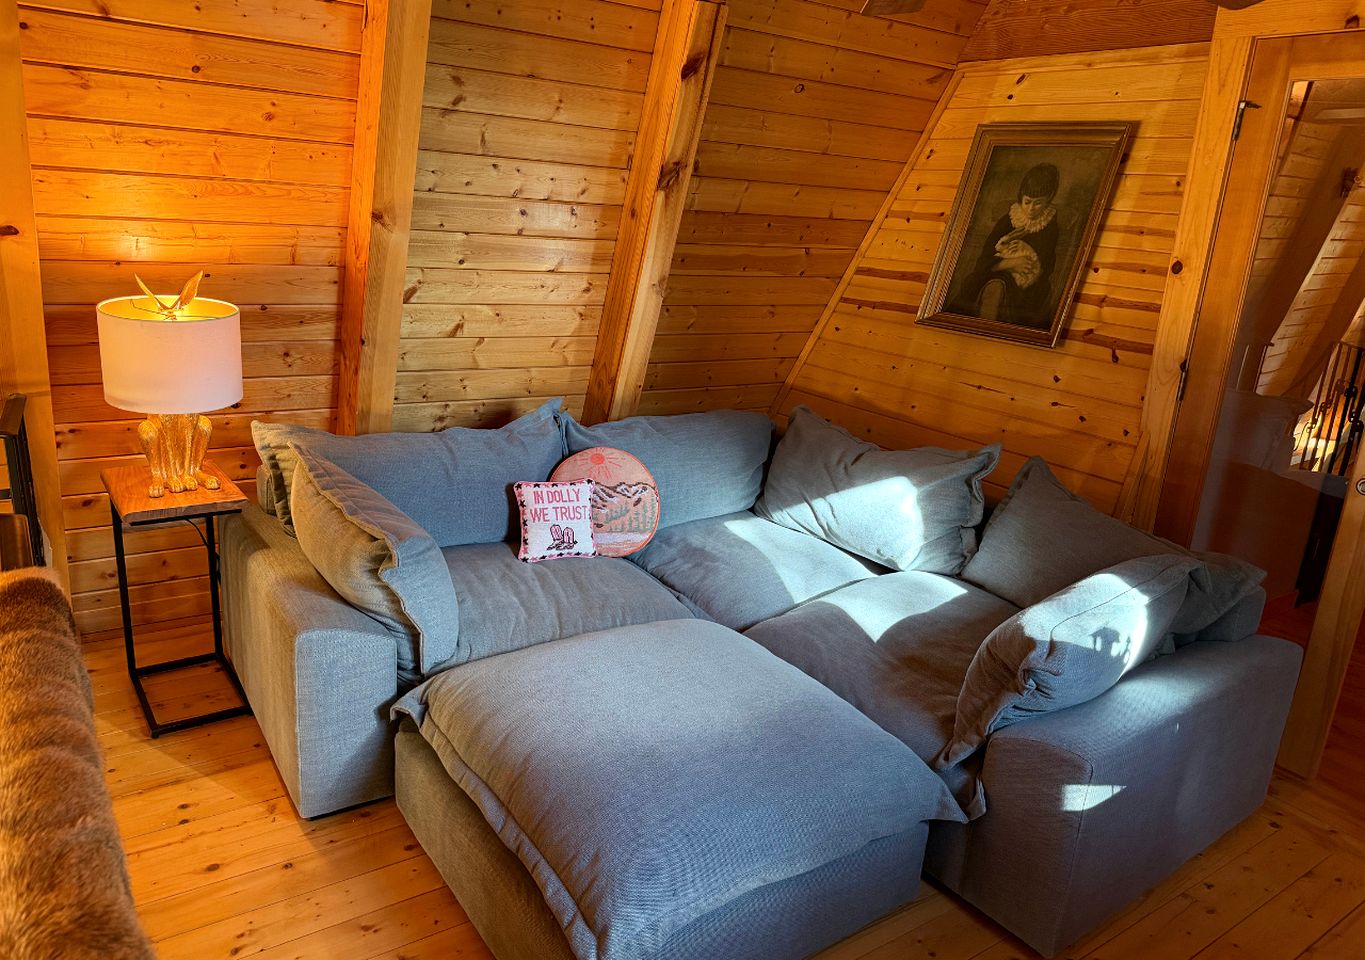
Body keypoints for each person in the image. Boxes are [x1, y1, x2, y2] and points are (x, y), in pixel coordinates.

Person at [955, 162, 1061, 328]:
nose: (1031, 209)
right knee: (993, 288)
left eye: (1038, 203)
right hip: (994, 273)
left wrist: (1029, 267)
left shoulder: (1049, 226)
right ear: (1021, 197)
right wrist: (1009, 264)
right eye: (1028, 202)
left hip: (1030, 285)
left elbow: (1047, 266)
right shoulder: (1009, 220)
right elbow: (983, 261)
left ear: (1049, 199)